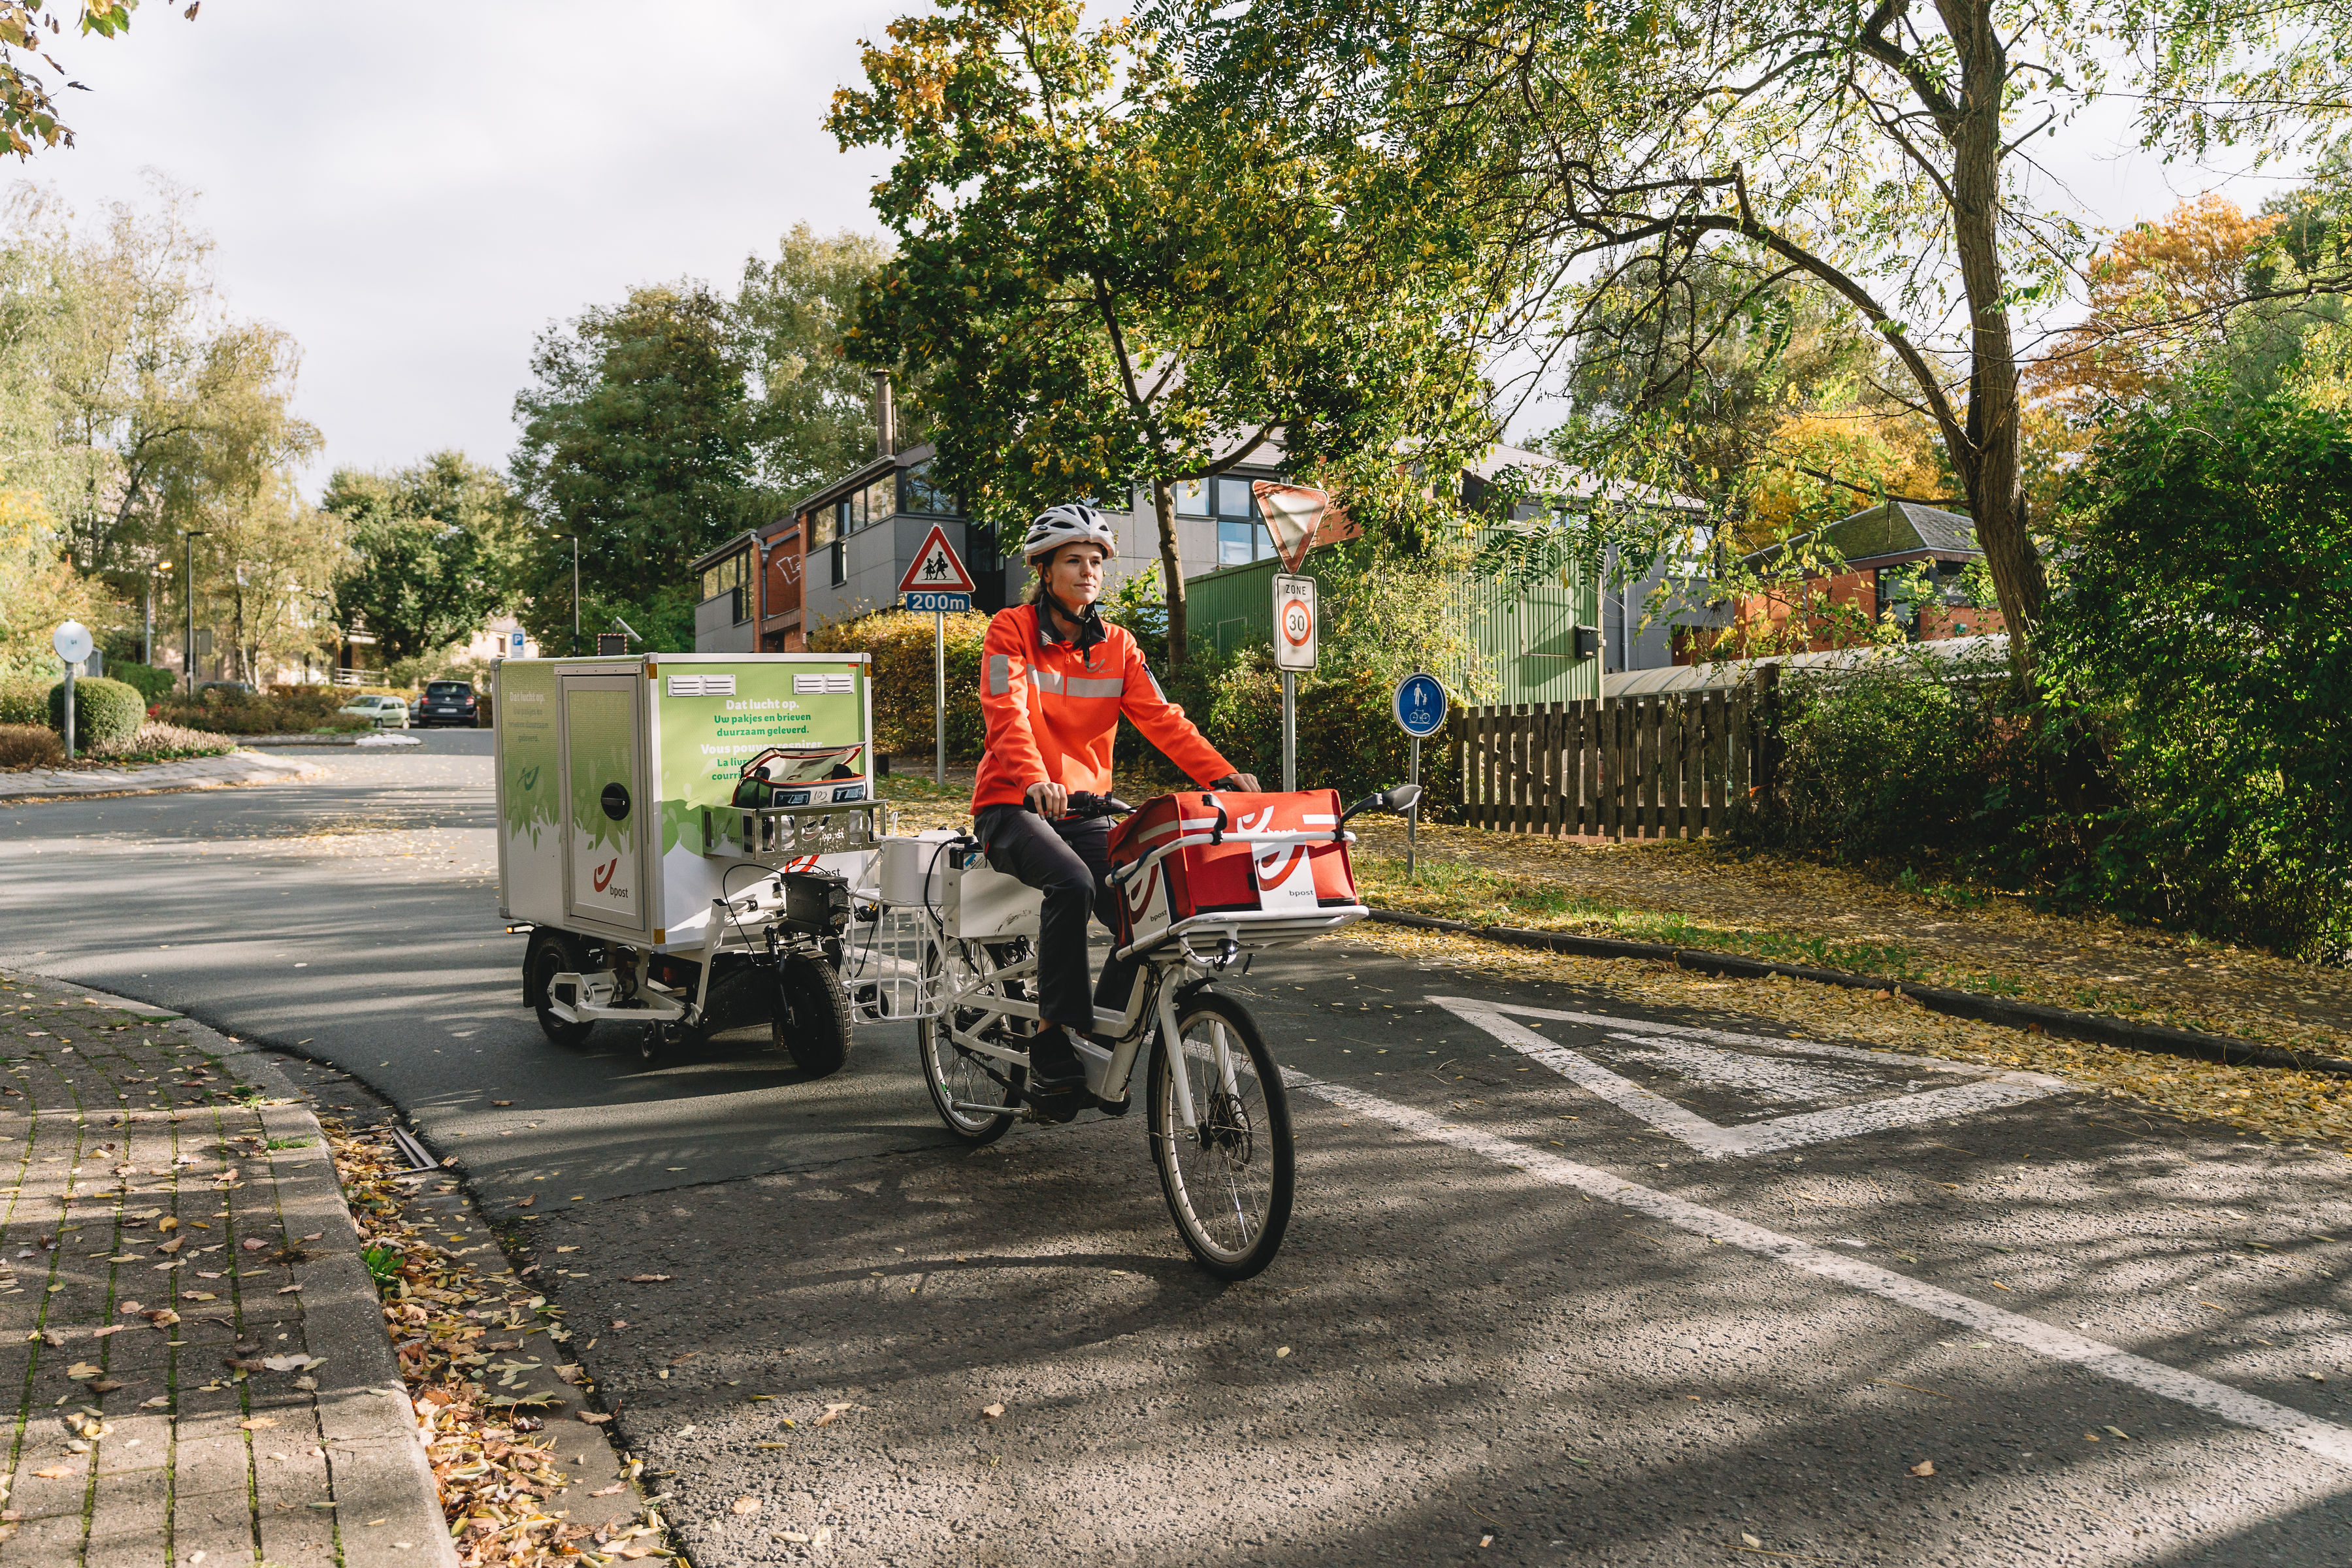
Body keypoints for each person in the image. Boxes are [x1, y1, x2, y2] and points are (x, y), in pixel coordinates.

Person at [971, 503, 1260, 1117]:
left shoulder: (1119, 647)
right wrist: (1035, 779)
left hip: (1086, 811)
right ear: (1044, 571)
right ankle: (1053, 1038)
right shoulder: (1009, 631)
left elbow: (1164, 721)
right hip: (1011, 806)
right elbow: (1007, 713)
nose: (1087, 571)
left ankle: (1101, 1038)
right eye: (1073, 560)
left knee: (1146, 907)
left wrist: (1225, 776)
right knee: (1072, 883)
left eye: (1096, 561)